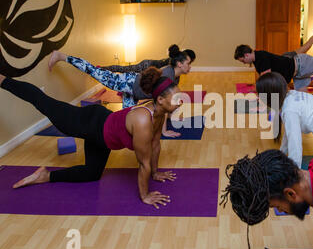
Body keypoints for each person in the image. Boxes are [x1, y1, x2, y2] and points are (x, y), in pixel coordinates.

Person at [0, 69, 183, 209]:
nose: (181, 101)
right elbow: (143, 163)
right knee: (44, 102)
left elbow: (155, 144)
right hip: (89, 123)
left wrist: (156, 173)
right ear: (160, 99)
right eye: (176, 98)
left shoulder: (159, 114)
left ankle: (45, 175)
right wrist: (145, 195)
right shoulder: (144, 120)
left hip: (103, 135)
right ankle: (3, 80)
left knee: (91, 174)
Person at [48, 45, 194, 138]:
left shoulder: (174, 77)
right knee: (93, 70)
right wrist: (163, 131)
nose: (190, 67)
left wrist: (170, 118)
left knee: (125, 122)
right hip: (127, 83)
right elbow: (160, 105)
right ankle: (61, 56)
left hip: (134, 92)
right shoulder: (167, 75)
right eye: (188, 63)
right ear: (180, 64)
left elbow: (167, 104)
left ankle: (102, 131)